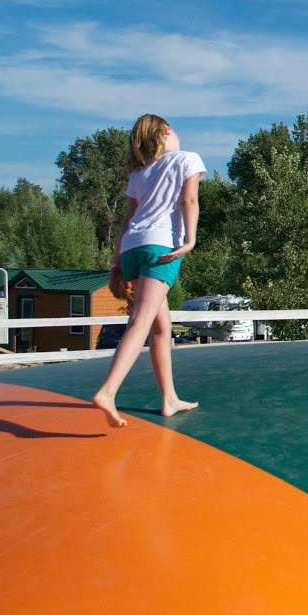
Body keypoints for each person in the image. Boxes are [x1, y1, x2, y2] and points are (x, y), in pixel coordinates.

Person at [88, 114, 204, 428]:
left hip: (133, 247)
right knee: (141, 319)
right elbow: (189, 199)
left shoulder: (140, 173)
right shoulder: (186, 159)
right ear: (165, 132)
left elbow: (126, 221)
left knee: (160, 326)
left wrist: (115, 264)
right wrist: (190, 240)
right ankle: (108, 392)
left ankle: (169, 398)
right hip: (160, 247)